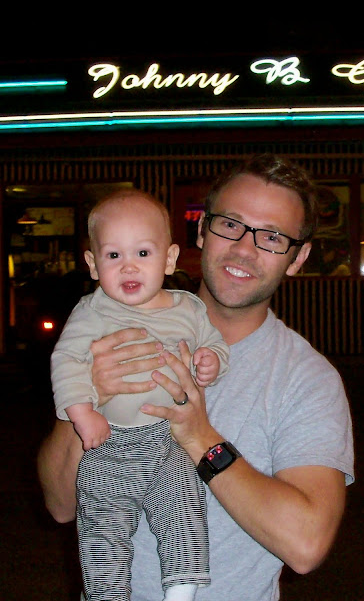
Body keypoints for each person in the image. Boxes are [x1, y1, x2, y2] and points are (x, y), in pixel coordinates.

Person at [38, 154, 355, 601]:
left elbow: (306, 545)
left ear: (297, 258)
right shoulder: (107, 328)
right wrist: (89, 397)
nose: (244, 249)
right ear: (203, 229)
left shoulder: (306, 379)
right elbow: (60, 504)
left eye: (271, 237)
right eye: (231, 224)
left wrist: (200, 437)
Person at [50, 189, 229, 601]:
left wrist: (212, 361)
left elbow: (215, 344)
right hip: (108, 444)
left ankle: (182, 587)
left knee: (184, 508)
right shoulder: (91, 312)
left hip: (168, 441)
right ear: (92, 264)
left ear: (169, 259)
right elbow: (66, 361)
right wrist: (82, 411)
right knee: (102, 529)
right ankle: (107, 594)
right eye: (113, 255)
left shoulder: (189, 309)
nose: (128, 265)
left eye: (143, 253)